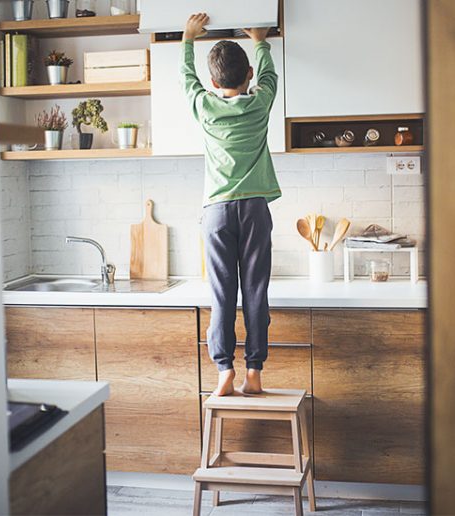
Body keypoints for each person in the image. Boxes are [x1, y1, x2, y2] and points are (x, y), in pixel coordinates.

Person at [180, 13, 281, 396]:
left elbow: (186, 80)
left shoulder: (205, 107)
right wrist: (261, 40)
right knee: (256, 289)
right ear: (249, 75)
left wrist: (188, 39)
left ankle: (224, 369)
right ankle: (253, 371)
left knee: (223, 293)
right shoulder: (259, 105)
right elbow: (270, 79)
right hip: (254, 208)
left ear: (213, 82)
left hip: (217, 211)